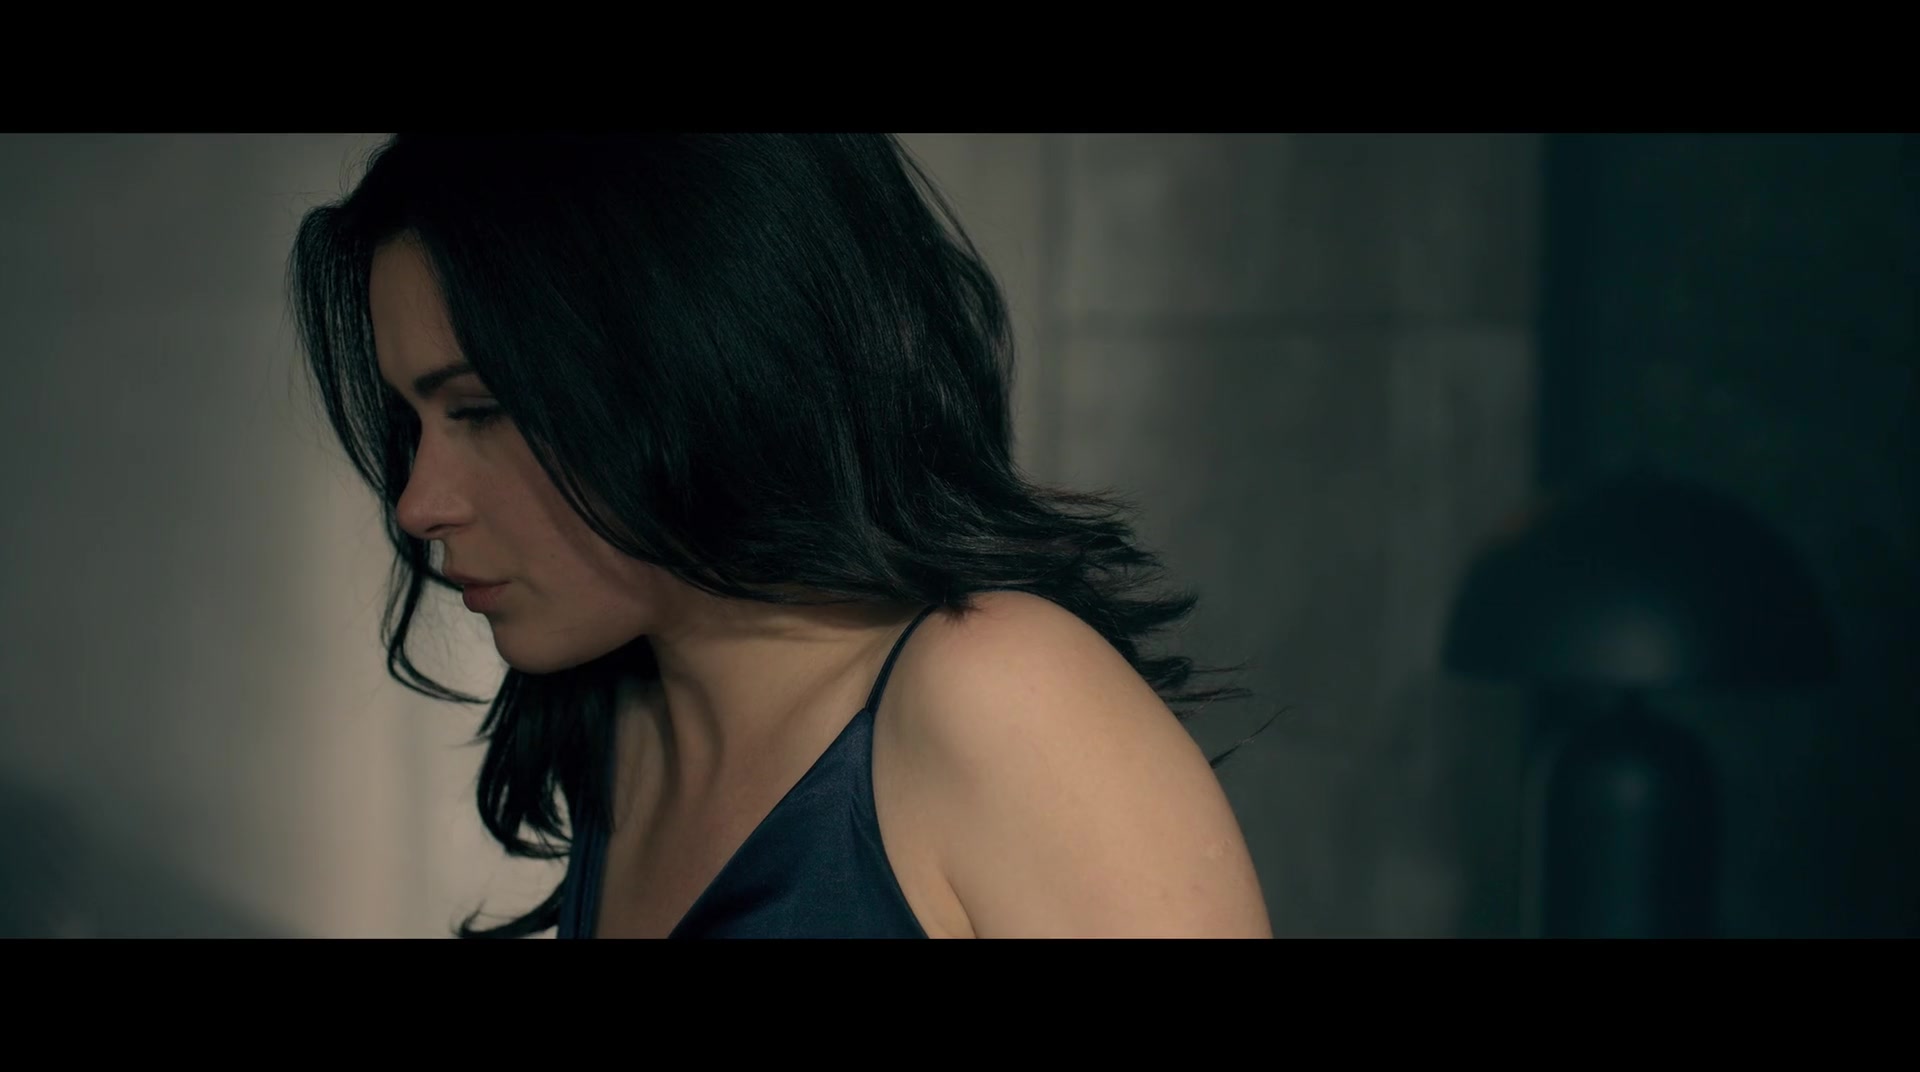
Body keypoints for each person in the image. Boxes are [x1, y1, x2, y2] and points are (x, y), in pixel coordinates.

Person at [288, 133, 1275, 938]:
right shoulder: (626, 724)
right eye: (416, 423)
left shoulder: (1002, 697)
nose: (418, 504)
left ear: (693, 360)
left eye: (480, 409)